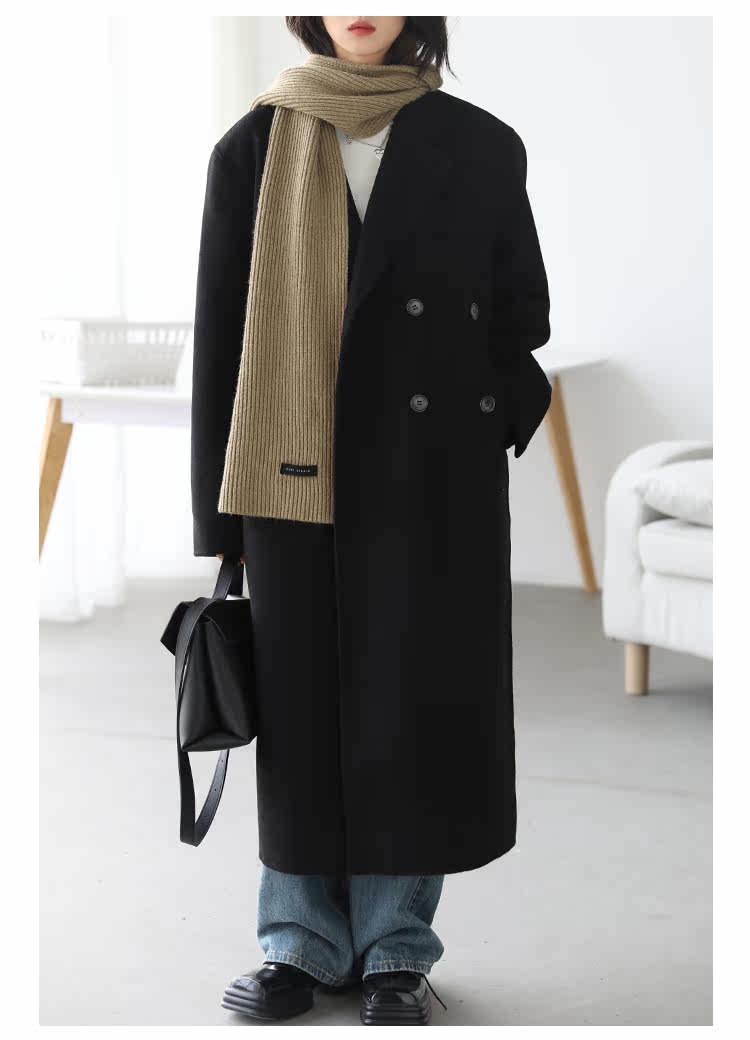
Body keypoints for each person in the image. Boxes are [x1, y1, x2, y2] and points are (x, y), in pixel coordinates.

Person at [191, 14, 551, 1027]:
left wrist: (490, 416)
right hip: (288, 475)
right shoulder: (251, 145)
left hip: (430, 478)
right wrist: (219, 520)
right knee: (299, 717)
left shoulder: (480, 142)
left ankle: (397, 949)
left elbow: (521, 312)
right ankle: (296, 943)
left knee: (412, 710)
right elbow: (221, 333)